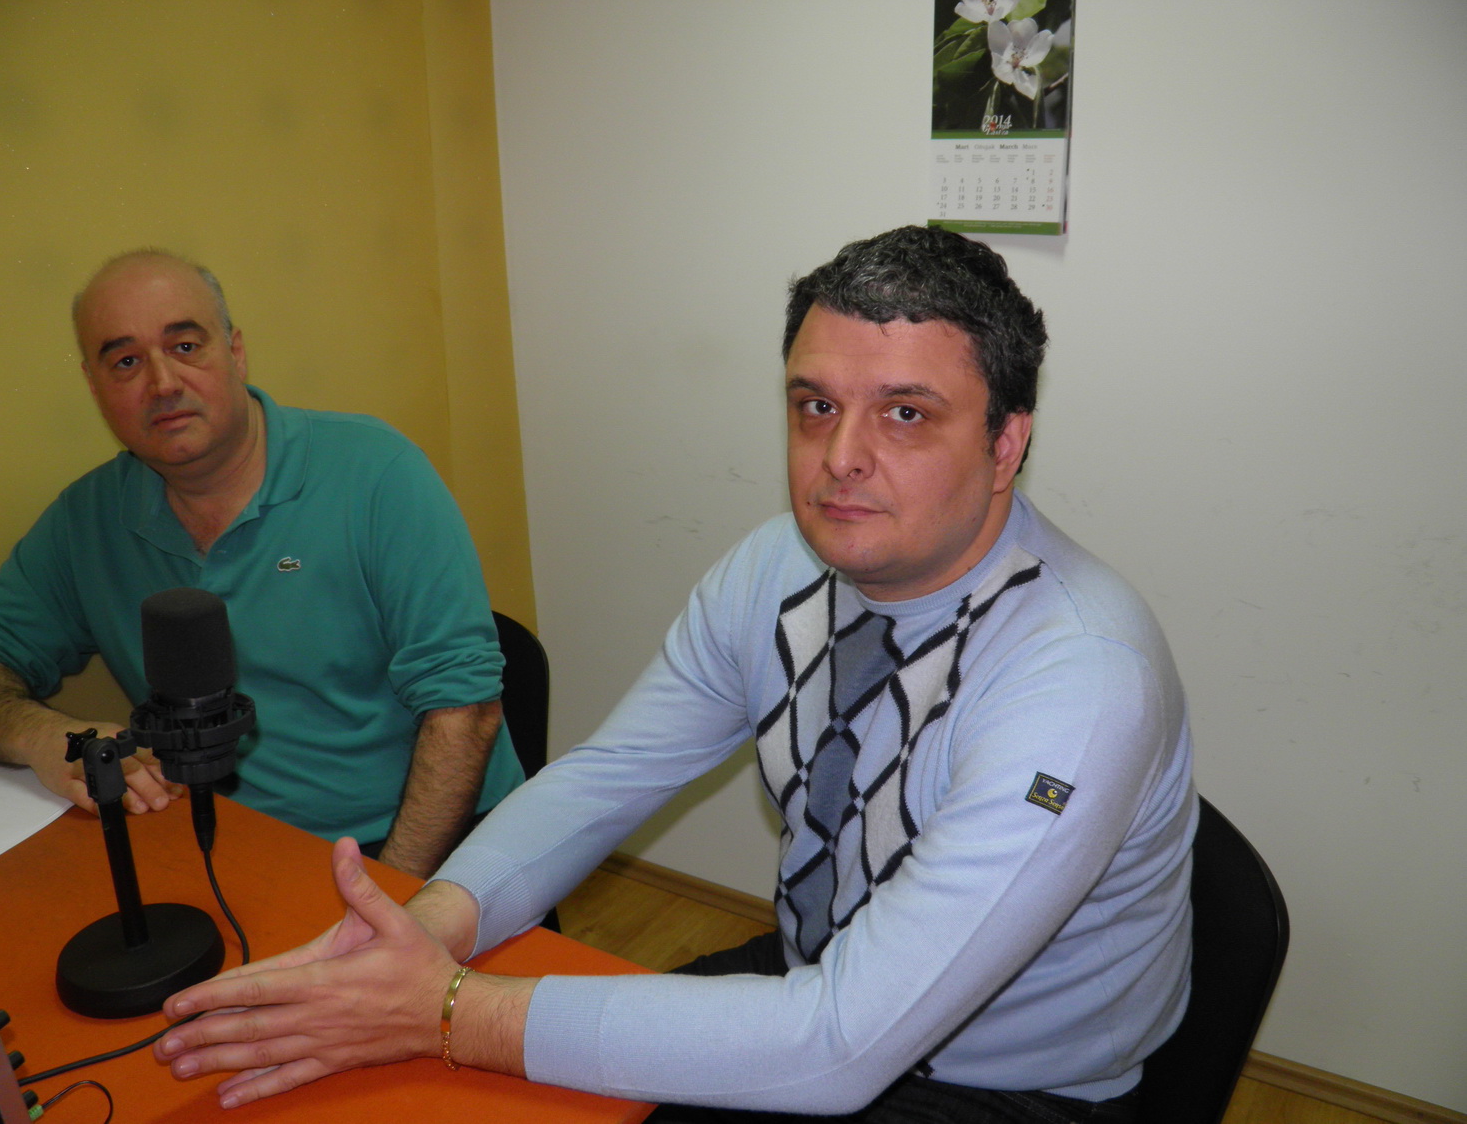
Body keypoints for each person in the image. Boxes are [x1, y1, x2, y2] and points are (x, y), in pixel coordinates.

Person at [154, 227, 1196, 1123]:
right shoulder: (780, 567)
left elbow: (840, 1045)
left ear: (1007, 444)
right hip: (820, 978)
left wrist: (447, 1011)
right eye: (815, 406)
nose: (841, 457)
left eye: (906, 413)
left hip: (1009, 1086)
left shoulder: (1080, 681)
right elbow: (610, 776)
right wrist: (426, 930)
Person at [0, 251, 522, 878]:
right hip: (224, 848)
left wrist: (388, 900)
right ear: (95, 389)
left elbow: (465, 710)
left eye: (185, 346)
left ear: (235, 352)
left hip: (422, 843)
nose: (162, 383)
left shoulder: (376, 473)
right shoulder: (86, 520)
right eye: (125, 362)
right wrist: (41, 737)